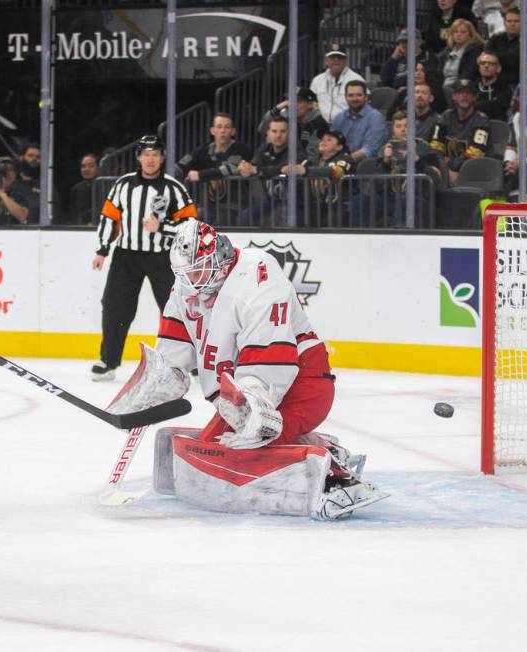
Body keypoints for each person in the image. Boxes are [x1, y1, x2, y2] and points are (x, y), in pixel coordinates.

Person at [112, 219, 387, 519]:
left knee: (243, 450)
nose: (191, 280)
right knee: (211, 450)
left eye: (197, 270)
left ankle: (338, 478)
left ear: (217, 258)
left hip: (301, 385)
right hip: (241, 392)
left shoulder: (257, 278)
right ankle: (324, 450)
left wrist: (254, 411)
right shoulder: (187, 285)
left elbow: (271, 360)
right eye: (185, 273)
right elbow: (174, 354)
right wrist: (153, 388)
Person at [91, 134, 196, 381]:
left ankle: (191, 362)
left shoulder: (174, 188)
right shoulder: (124, 185)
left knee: (176, 309)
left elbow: (189, 226)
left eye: (155, 154)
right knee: (115, 307)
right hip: (126, 255)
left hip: (162, 256)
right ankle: (108, 361)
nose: (150, 159)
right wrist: (102, 249)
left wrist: (162, 227)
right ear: (139, 157)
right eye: (146, 154)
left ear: (162, 158)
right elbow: (109, 217)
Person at [177, 112, 253, 222]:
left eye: (227, 127)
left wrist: (200, 175)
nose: (222, 130)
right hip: (206, 205)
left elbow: (230, 168)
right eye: (219, 127)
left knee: (221, 219)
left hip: (233, 206)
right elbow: (181, 166)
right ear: (212, 130)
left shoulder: (241, 149)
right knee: (184, 218)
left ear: (233, 131)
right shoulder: (202, 150)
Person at [282, 128, 354, 226]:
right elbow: (299, 174)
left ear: (339, 147)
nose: (323, 142)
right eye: (322, 139)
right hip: (314, 205)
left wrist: (306, 171)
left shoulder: (346, 158)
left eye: (329, 140)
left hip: (340, 206)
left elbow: (337, 172)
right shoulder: (311, 160)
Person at [429, 78, 492, 184]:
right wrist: (445, 170)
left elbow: (476, 152)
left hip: (472, 171)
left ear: (474, 97)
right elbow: (435, 146)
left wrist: (452, 166)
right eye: (460, 93)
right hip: (446, 169)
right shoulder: (446, 116)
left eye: (468, 93)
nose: (464, 97)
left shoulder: (481, 120)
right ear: (454, 96)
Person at [237, 116, 290, 226]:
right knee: (245, 216)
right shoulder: (264, 148)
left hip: (290, 202)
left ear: (289, 133)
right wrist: (245, 168)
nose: (278, 135)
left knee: (277, 216)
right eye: (274, 131)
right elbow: (253, 166)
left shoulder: (296, 151)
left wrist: (257, 170)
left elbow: (283, 168)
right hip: (267, 202)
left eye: (282, 131)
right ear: (268, 133)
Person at [255, 87, 328, 164]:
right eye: (291, 101)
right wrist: (277, 109)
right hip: (281, 160)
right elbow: (262, 130)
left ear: (310, 104)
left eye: (298, 101)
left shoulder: (318, 123)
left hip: (303, 166)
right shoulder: (286, 115)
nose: (293, 105)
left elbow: (313, 155)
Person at [330, 80, 388, 162]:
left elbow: (370, 149)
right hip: (341, 164)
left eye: (359, 95)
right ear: (345, 97)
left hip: (366, 166)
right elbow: (331, 144)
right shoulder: (339, 118)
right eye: (350, 95)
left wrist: (345, 160)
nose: (354, 99)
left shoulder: (375, 117)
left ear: (366, 97)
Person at [309, 43, 364, 123]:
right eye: (332, 57)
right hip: (321, 127)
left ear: (346, 60)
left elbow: (363, 107)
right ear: (326, 61)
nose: (336, 59)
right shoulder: (317, 80)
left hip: (348, 125)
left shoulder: (357, 79)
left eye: (340, 57)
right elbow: (312, 104)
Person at [437, 18, 484, 95]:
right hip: (443, 90)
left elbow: (467, 76)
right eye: (456, 32)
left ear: (470, 35)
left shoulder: (474, 52)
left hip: (462, 90)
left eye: (463, 32)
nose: (459, 34)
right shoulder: (446, 52)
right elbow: (438, 74)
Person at [486, 7, 521, 86]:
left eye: (516, 21)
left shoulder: (525, 40)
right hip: (494, 80)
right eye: (509, 21)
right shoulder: (496, 38)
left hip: (515, 82)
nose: (512, 24)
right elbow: (486, 53)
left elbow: (512, 58)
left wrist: (493, 56)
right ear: (504, 23)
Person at [473, 51, 511, 122]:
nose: (486, 66)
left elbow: (498, 108)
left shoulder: (504, 89)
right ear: (479, 68)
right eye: (482, 63)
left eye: (491, 64)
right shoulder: (472, 87)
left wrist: (474, 105)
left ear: (498, 68)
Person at [62, 152, 98, 225]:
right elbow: (73, 214)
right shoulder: (76, 189)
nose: (86, 169)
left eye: (91, 166)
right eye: (83, 166)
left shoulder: (105, 186)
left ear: (98, 167)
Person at [11, 142, 41, 222]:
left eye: (38, 157)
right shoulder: (11, 184)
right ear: (21, 157)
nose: (34, 159)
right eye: (30, 156)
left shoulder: (46, 186)